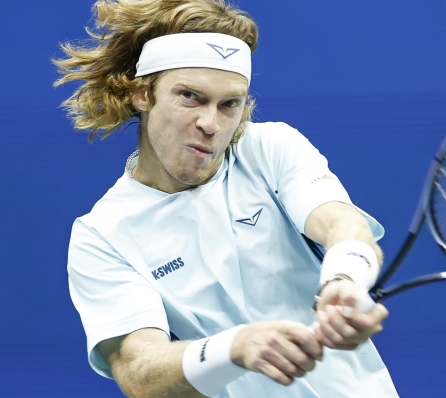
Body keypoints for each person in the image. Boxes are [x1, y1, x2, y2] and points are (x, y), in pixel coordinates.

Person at [55, 1, 398, 397]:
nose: (210, 124)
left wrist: (348, 280)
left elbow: (342, 224)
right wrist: (233, 348)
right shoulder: (102, 234)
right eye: (190, 97)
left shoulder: (271, 147)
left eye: (229, 104)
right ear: (141, 93)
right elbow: (139, 371)